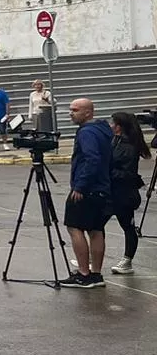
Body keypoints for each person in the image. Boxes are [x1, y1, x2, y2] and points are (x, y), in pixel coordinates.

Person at [63, 97, 113, 288]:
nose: (71, 113)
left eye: (75, 110)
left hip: (87, 189)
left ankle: (84, 274)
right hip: (102, 188)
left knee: (74, 227)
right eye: (70, 109)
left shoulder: (86, 132)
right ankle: (96, 274)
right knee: (96, 229)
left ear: (88, 112)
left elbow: (92, 159)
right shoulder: (102, 130)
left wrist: (80, 186)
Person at [108, 110, 147, 276]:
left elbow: (127, 173)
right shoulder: (114, 141)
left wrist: (107, 172)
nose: (110, 126)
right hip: (112, 191)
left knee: (128, 226)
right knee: (95, 224)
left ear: (119, 127)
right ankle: (89, 257)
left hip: (124, 194)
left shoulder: (128, 147)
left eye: (113, 123)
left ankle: (127, 260)